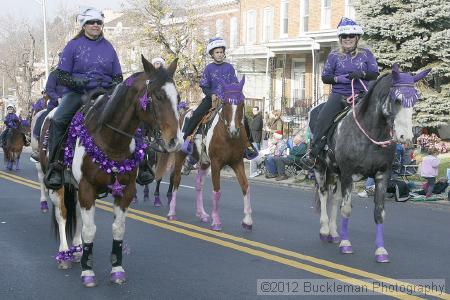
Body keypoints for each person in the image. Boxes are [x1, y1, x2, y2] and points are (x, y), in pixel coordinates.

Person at [44, 7, 123, 189]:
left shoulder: (109, 47)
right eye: (91, 22)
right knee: (58, 119)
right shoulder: (73, 46)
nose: (95, 25)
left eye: (98, 22)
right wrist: (81, 81)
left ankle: (139, 164)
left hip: (104, 93)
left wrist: (111, 86)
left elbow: (118, 77)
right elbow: (62, 76)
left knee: (130, 114)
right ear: (84, 25)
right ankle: (55, 166)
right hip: (78, 93)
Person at [301, 17, 379, 169]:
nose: (347, 39)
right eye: (344, 36)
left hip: (361, 95)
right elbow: (325, 77)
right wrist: (338, 78)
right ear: (340, 38)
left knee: (380, 115)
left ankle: (383, 152)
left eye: (351, 36)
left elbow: (374, 74)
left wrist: (361, 74)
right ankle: (314, 153)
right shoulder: (334, 55)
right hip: (339, 95)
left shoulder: (366, 54)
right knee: (322, 117)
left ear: (357, 38)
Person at [180, 37, 258, 160]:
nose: (220, 54)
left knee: (244, 119)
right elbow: (204, 86)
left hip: (228, 100)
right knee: (196, 115)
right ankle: (187, 140)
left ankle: (248, 145)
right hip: (212, 99)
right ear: (212, 54)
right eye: (217, 52)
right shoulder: (208, 68)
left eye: (221, 52)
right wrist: (211, 94)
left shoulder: (230, 67)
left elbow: (235, 84)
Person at [30, 69, 64, 162]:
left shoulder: (76, 73)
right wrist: (57, 98)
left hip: (72, 104)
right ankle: (37, 147)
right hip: (55, 104)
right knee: (41, 118)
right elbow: (49, 89)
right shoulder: (54, 74)